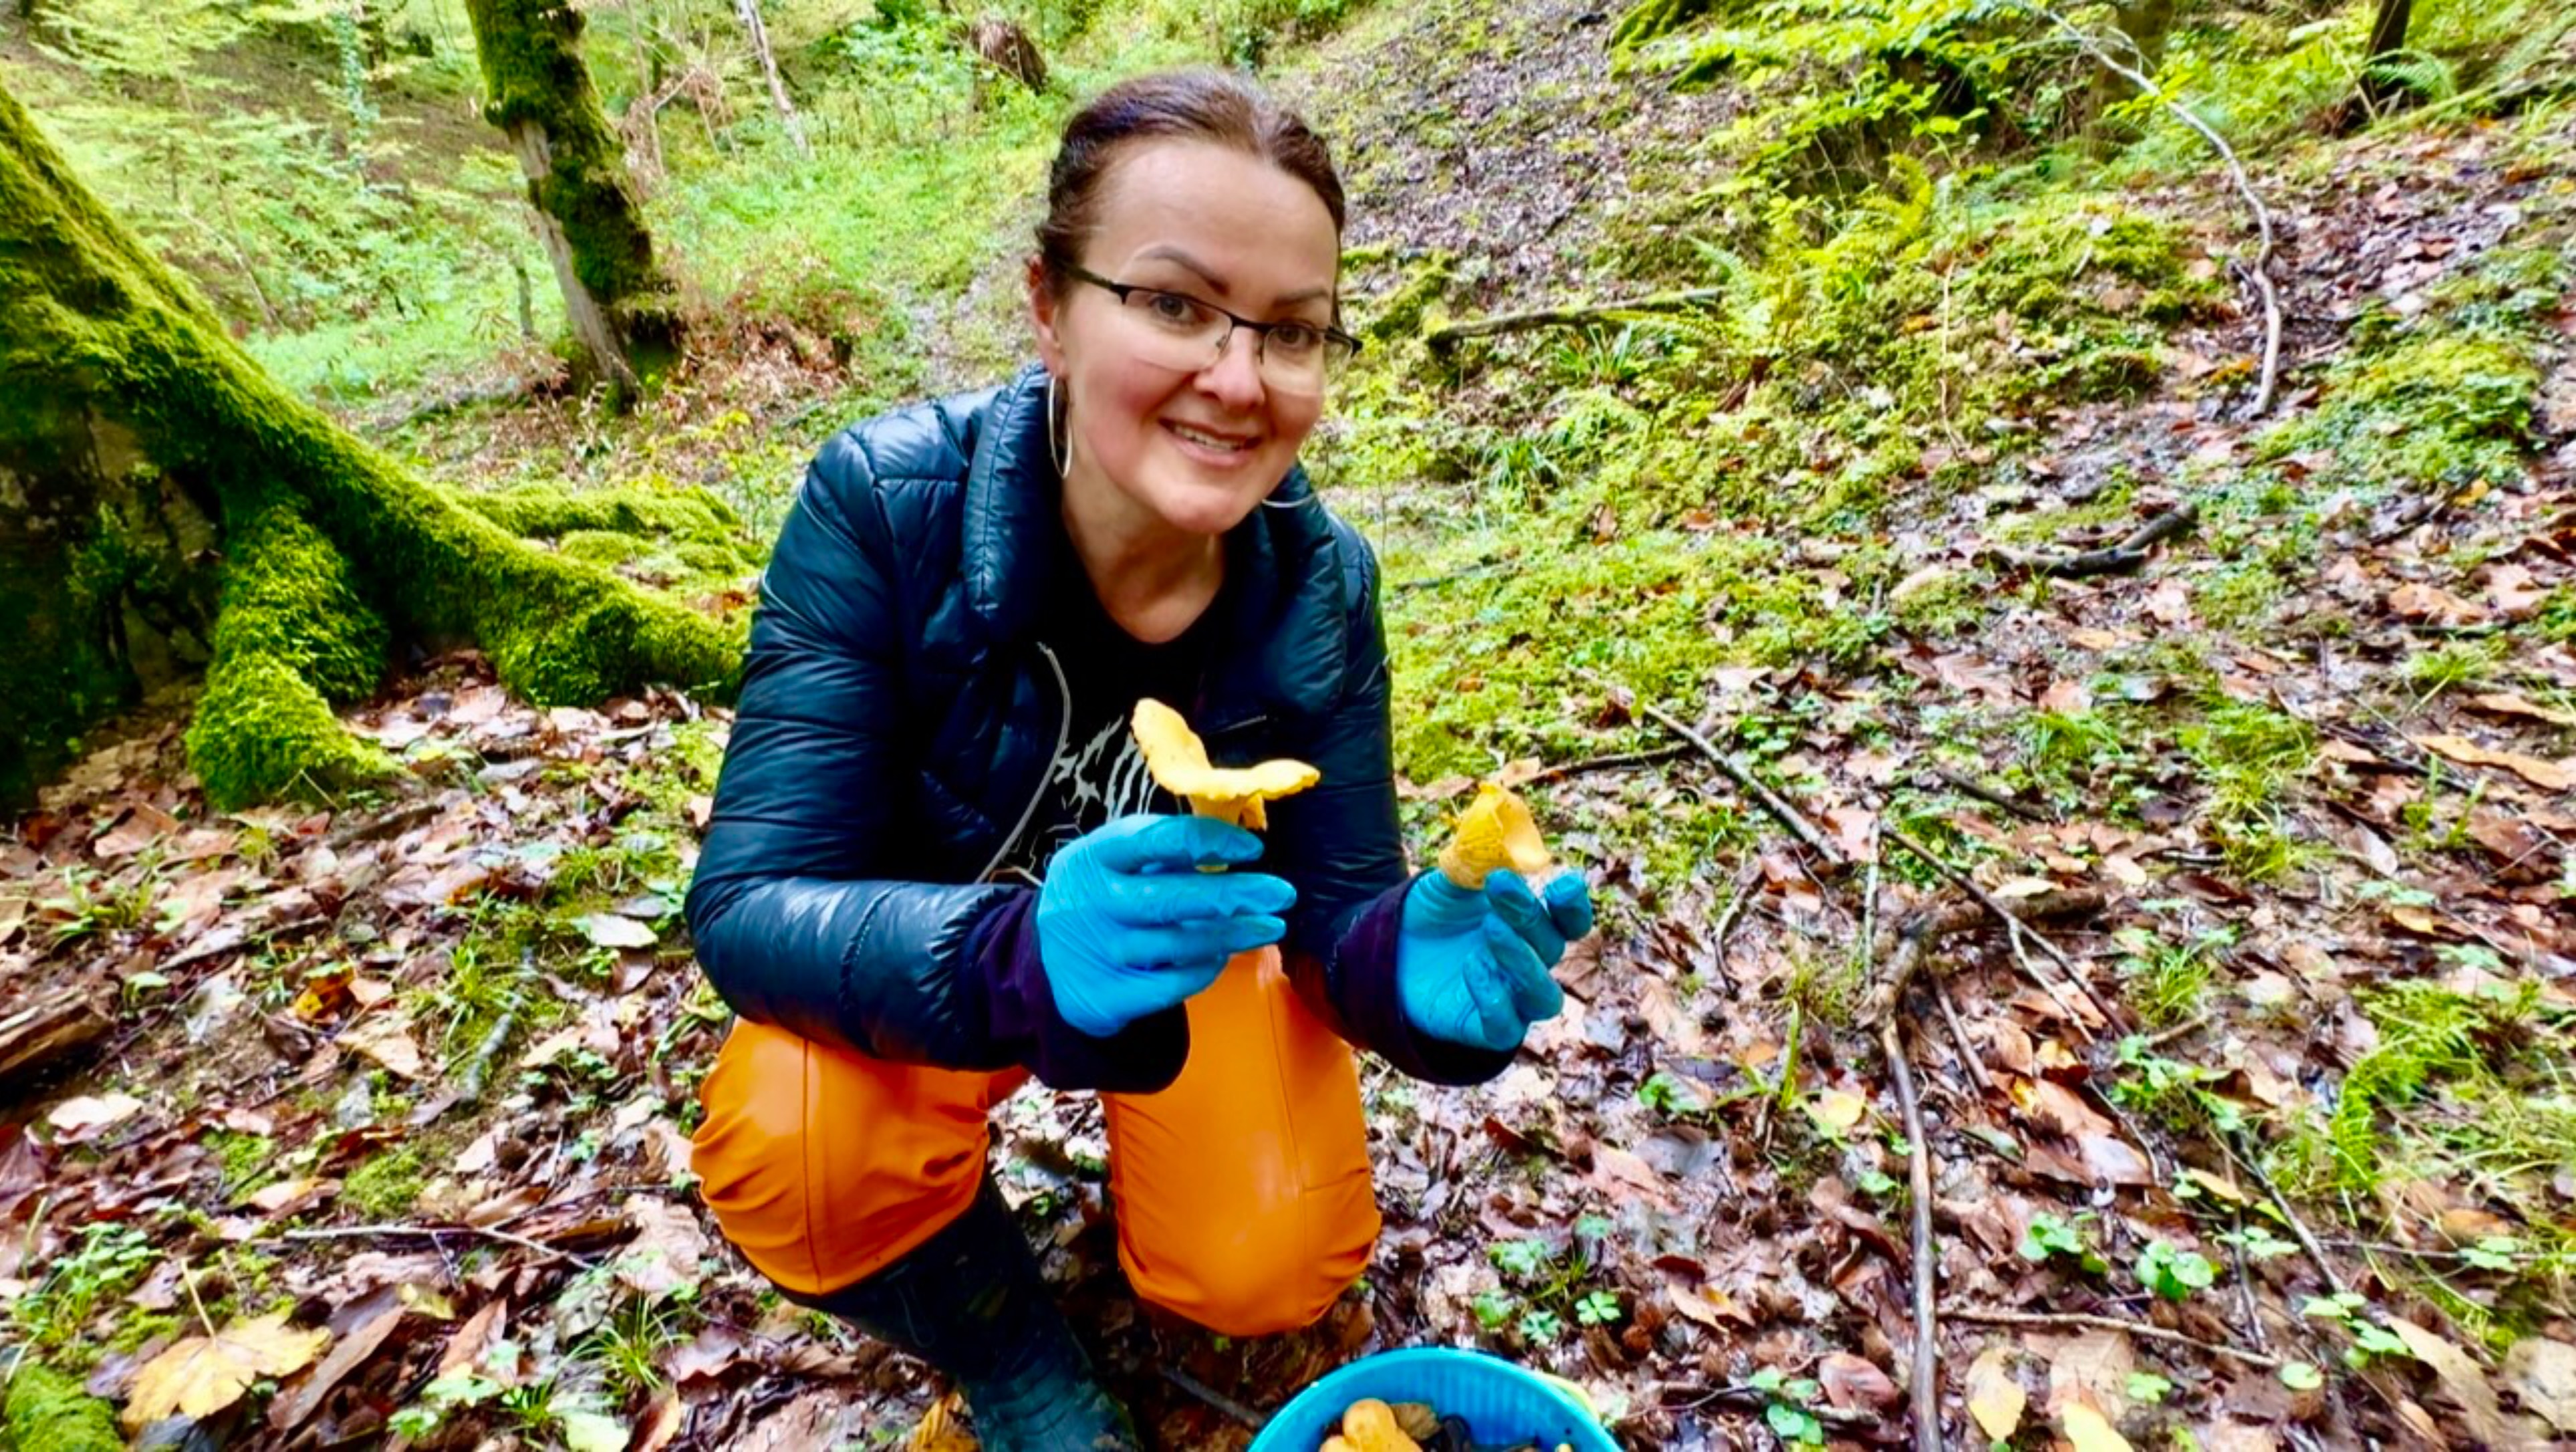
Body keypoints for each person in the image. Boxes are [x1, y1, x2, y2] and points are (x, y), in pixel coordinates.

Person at [682, 69, 1595, 1451]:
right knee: (800, 1152)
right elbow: (752, 907)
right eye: (1173, 305)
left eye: (1291, 333)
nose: (1236, 380)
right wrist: (1020, 956)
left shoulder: (1320, 584)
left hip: (1195, 972)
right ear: (1049, 306)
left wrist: (1399, 975)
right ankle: (1009, 1352)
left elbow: (1337, 910)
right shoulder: (884, 505)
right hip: (947, 963)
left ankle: (1164, 1203)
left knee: (1269, 1257)